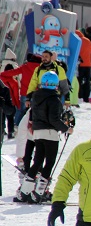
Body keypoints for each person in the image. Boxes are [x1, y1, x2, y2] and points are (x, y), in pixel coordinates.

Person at [18, 72, 73, 203]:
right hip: (50, 134)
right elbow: (53, 119)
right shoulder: (54, 99)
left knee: (37, 162)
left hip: (37, 132)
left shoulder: (35, 97)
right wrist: (66, 129)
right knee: (49, 163)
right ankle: (39, 192)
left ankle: (25, 191)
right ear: (55, 85)